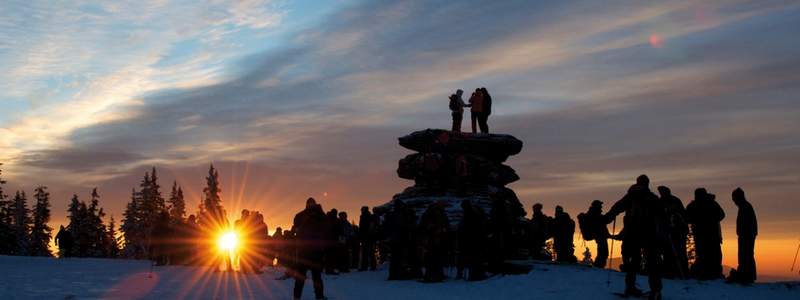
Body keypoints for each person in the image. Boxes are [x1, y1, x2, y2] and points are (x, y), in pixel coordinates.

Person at [604, 175, 664, 299]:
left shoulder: (630, 196)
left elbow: (617, 207)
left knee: (633, 261)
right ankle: (655, 290)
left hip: (631, 233)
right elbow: (661, 215)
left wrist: (607, 218)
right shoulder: (652, 198)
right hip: (649, 233)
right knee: (652, 261)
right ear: (647, 184)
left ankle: (630, 287)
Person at [292, 198, 328, 300]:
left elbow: (326, 226)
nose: (311, 206)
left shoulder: (319, 215)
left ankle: (318, 296)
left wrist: (320, 212)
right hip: (306, 250)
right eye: (310, 204)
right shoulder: (301, 215)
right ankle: (297, 297)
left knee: (315, 276)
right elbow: (296, 228)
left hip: (313, 250)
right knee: (304, 276)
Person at [686, 188, 725, 280]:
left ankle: (713, 273)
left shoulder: (699, 205)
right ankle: (707, 272)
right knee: (707, 254)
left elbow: (721, 215)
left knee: (712, 254)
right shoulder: (706, 204)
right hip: (705, 234)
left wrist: (708, 220)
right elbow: (687, 217)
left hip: (709, 234)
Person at [657, 186, 689, 279]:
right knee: (669, 251)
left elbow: (681, 215)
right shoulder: (663, 201)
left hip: (677, 229)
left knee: (678, 251)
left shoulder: (673, 201)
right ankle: (672, 270)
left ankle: (681, 271)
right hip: (668, 230)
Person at [728, 187, 758, 284]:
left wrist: (744, 233)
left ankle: (747, 275)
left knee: (746, 254)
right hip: (746, 235)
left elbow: (747, 223)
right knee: (745, 254)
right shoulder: (744, 206)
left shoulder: (745, 207)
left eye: (734, 199)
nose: (734, 201)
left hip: (746, 235)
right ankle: (746, 274)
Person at [457, 200, 488, 281]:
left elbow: (466, 228)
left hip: (469, 239)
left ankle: (473, 275)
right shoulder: (474, 213)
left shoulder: (467, 214)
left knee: (472, 258)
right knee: (475, 258)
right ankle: (476, 275)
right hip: (475, 239)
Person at [419, 202, 449, 282]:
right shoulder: (441, 216)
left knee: (432, 258)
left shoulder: (427, 215)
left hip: (432, 240)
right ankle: (436, 275)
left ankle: (431, 275)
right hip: (436, 240)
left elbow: (422, 227)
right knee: (435, 257)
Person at [578, 200, 610, 268]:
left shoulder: (593, 213)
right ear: (597, 206)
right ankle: (599, 265)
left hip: (598, 235)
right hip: (599, 236)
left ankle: (599, 264)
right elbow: (602, 222)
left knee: (603, 251)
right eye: (600, 205)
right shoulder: (595, 214)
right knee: (603, 251)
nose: (601, 207)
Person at [358, 206, 377, 271]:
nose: (361, 210)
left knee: (367, 252)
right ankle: (371, 266)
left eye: (362, 209)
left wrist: (367, 234)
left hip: (367, 237)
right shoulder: (367, 216)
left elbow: (368, 227)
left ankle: (367, 266)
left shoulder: (367, 217)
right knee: (368, 252)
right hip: (367, 237)